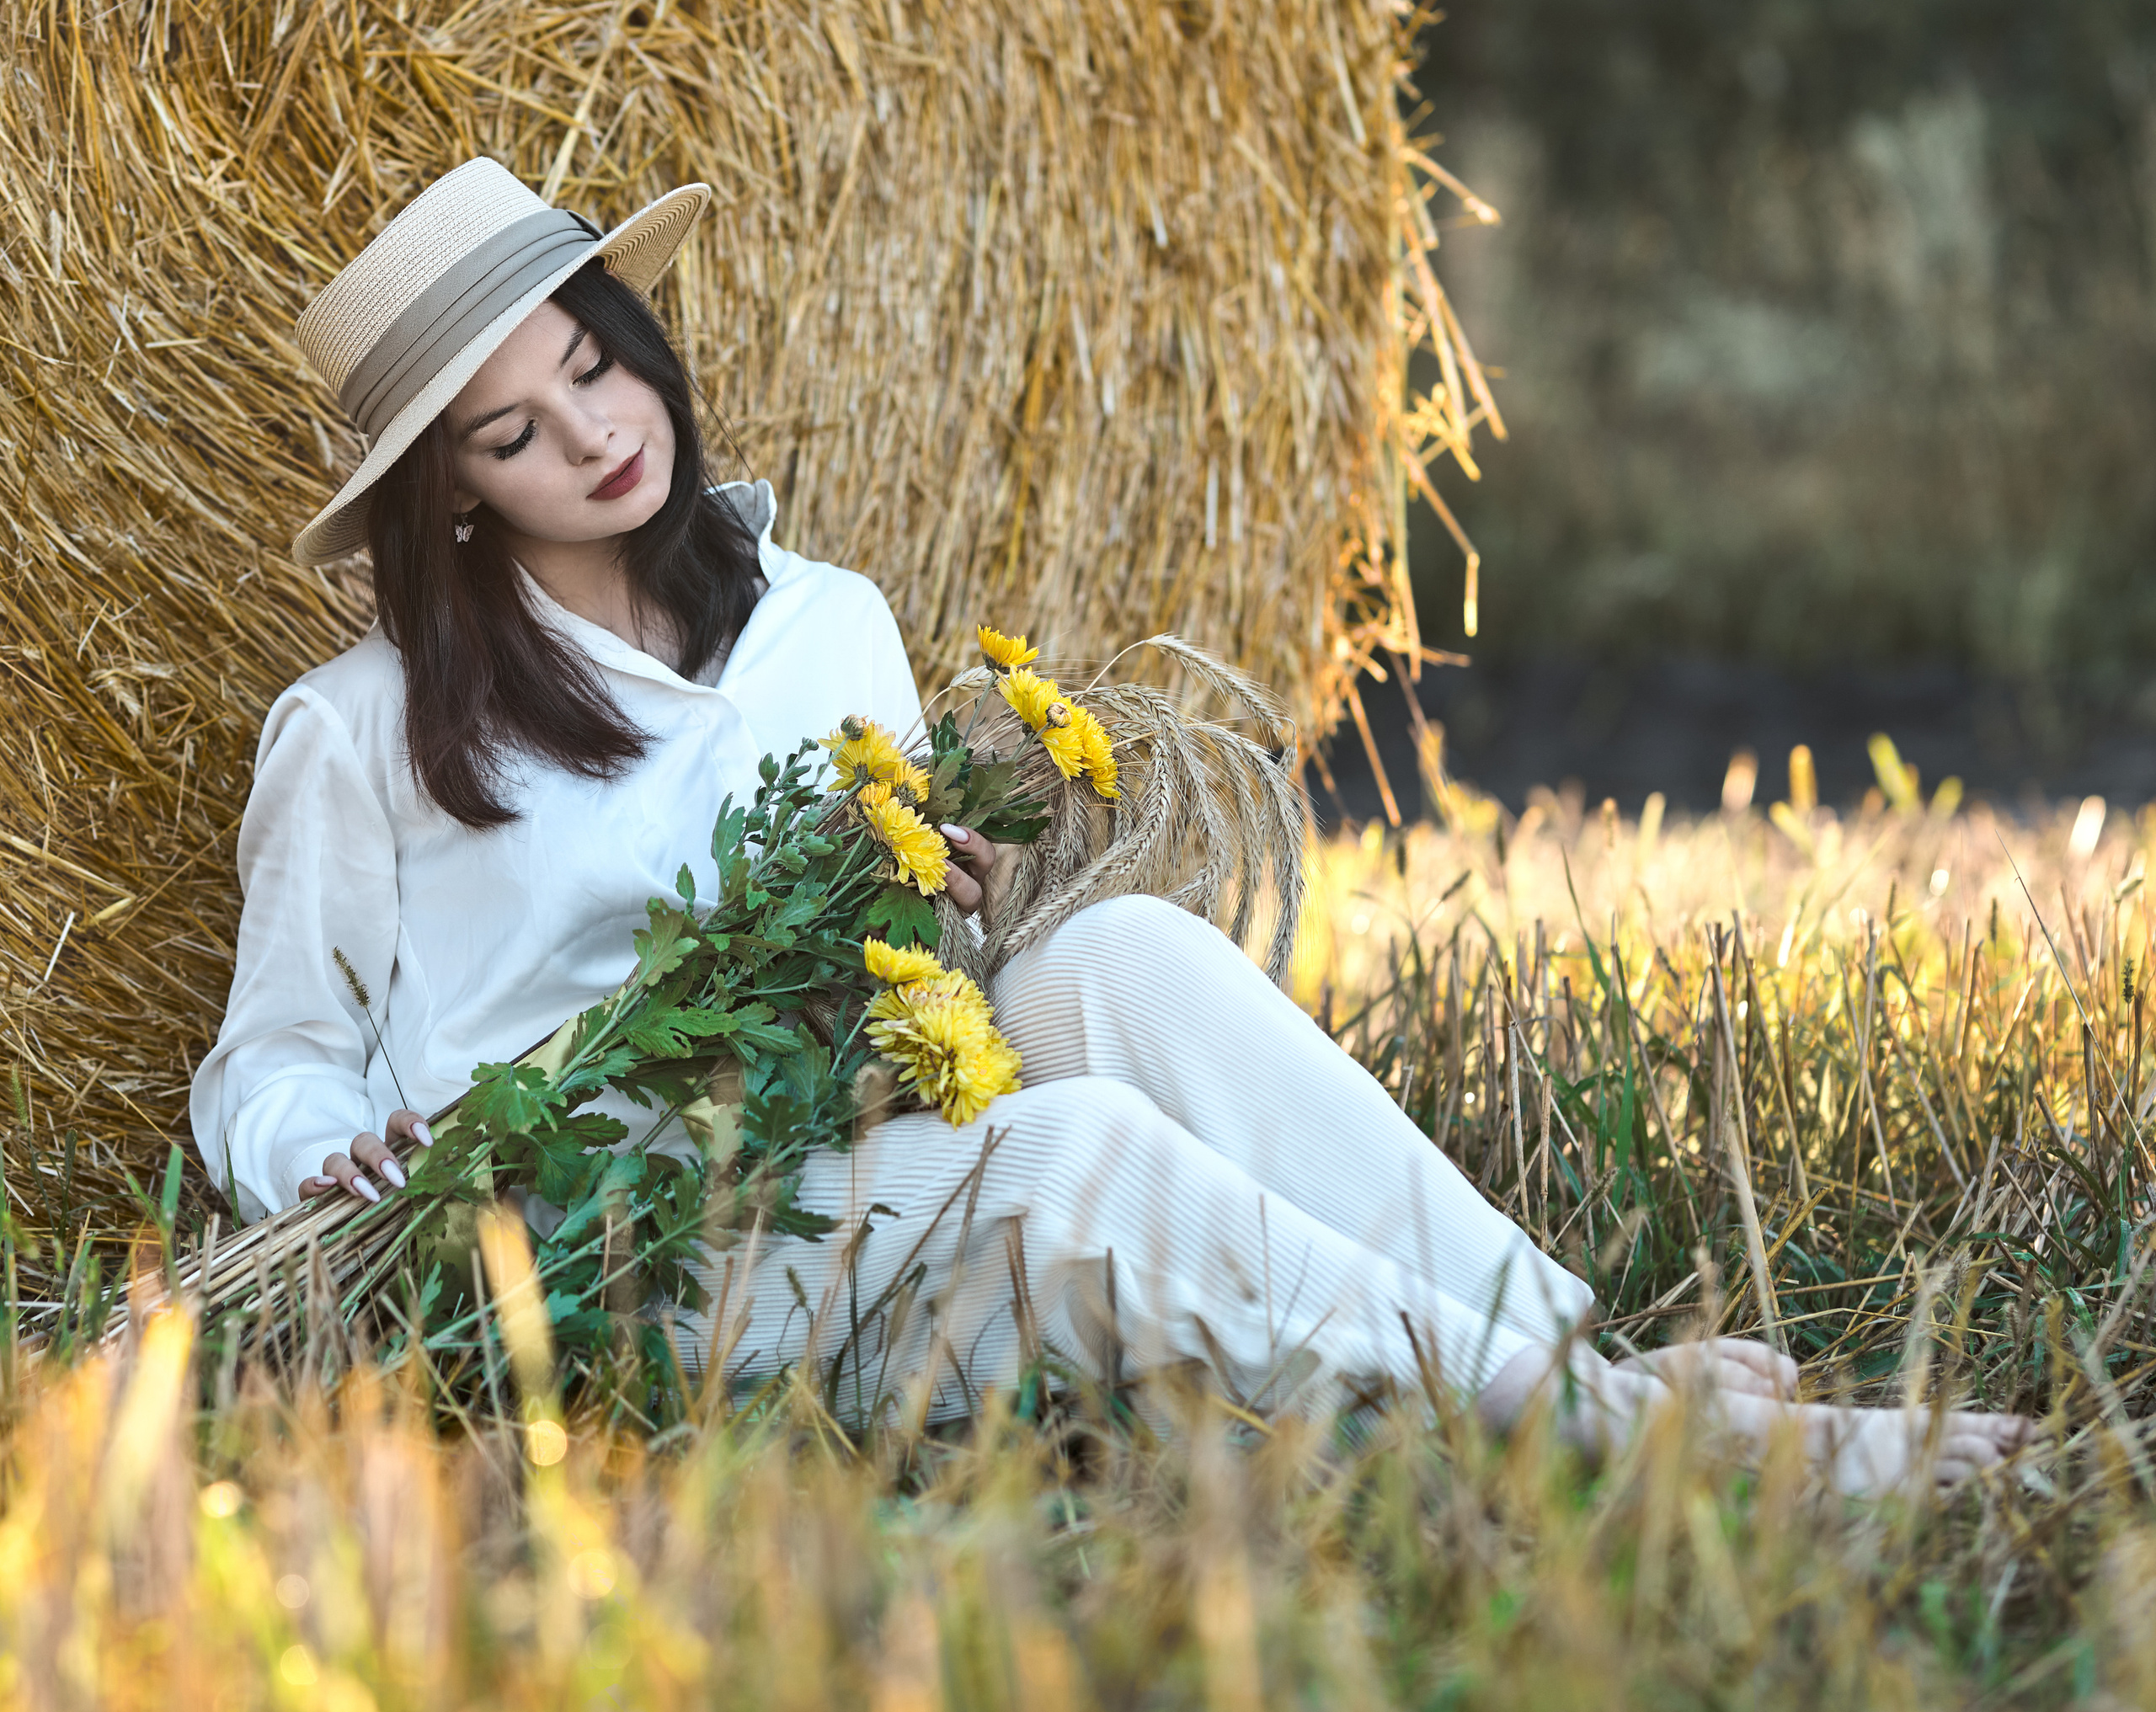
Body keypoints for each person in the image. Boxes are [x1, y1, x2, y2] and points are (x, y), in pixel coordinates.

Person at [191, 159, 2028, 1492]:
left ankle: (1558, 1344)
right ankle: (1652, 1443)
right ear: (451, 495)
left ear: (635, 336)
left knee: (1121, 957)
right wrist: (334, 1151)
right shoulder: (361, 732)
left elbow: (909, 983)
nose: (592, 434)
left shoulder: (824, 621)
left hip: (857, 1138)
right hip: (635, 1242)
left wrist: (955, 912)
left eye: (589, 364)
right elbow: (266, 1059)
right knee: (1064, 1154)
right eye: (510, 432)